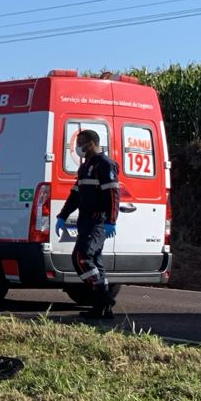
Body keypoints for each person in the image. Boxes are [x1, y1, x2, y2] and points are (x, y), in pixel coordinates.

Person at [56, 129, 121, 319]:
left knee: (81, 257)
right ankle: (102, 309)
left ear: (92, 143)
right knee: (96, 263)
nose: (78, 148)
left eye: (81, 143)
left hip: (98, 220)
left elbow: (113, 195)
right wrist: (63, 215)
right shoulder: (85, 167)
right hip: (85, 221)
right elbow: (75, 195)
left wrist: (111, 220)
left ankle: (103, 299)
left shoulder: (104, 165)